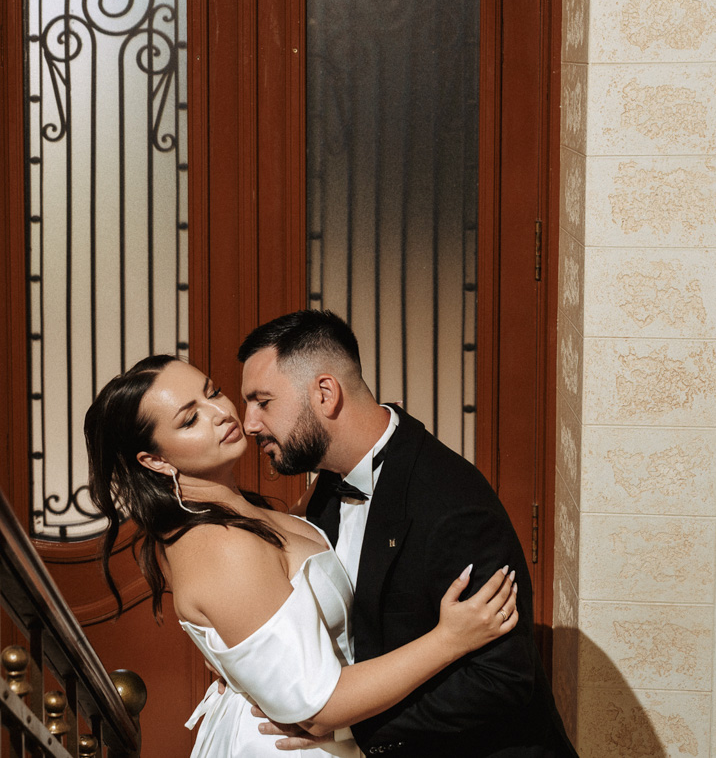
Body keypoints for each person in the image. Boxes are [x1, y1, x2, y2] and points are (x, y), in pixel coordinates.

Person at [84, 354, 521, 758]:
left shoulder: (242, 513)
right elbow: (320, 707)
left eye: (213, 392)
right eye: (190, 419)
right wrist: (449, 639)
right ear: (155, 460)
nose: (221, 414)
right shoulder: (221, 545)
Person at [239, 310, 578, 757]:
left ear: (325, 393)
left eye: (263, 402)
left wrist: (348, 724)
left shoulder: (450, 501)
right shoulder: (326, 486)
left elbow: (503, 679)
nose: (249, 423)